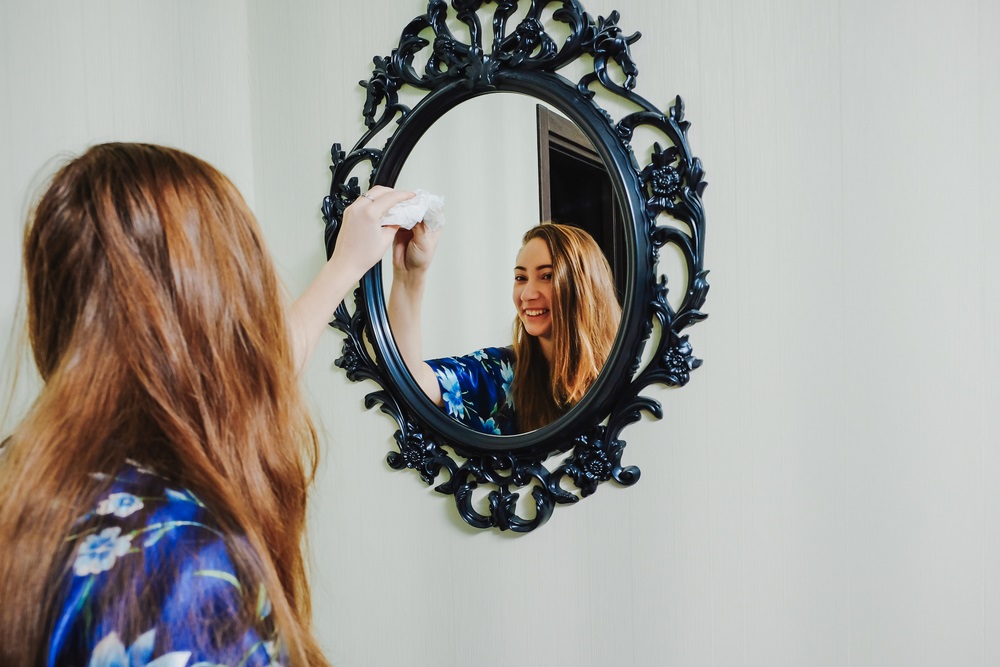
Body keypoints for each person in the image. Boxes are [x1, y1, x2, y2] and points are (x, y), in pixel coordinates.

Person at [0, 143, 413, 666]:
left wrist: (345, 267)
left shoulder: (26, 478)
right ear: (215, 310)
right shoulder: (183, 571)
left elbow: (247, 372)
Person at [388, 221, 621, 435]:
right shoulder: (498, 371)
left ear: (582, 286)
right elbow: (410, 383)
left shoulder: (624, 370)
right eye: (521, 278)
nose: (528, 294)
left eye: (547, 276)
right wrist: (409, 274)